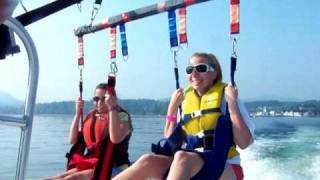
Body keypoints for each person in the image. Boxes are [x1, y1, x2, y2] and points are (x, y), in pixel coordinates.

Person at [113, 52, 254, 180]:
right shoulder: (185, 102)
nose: (194, 74)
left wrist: (233, 103)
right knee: (147, 160)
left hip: (225, 165)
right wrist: (172, 108)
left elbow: (244, 143)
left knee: (181, 157)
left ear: (214, 74)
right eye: (189, 70)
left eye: (201, 68)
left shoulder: (227, 97)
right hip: (192, 163)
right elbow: (171, 140)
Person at [43, 83, 132, 180]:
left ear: (112, 99)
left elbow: (116, 138)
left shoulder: (123, 116)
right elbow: (72, 140)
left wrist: (112, 108)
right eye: (96, 99)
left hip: (115, 167)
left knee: (73, 178)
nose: (100, 102)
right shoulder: (92, 115)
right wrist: (77, 113)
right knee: (60, 176)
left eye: (104, 99)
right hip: (93, 163)